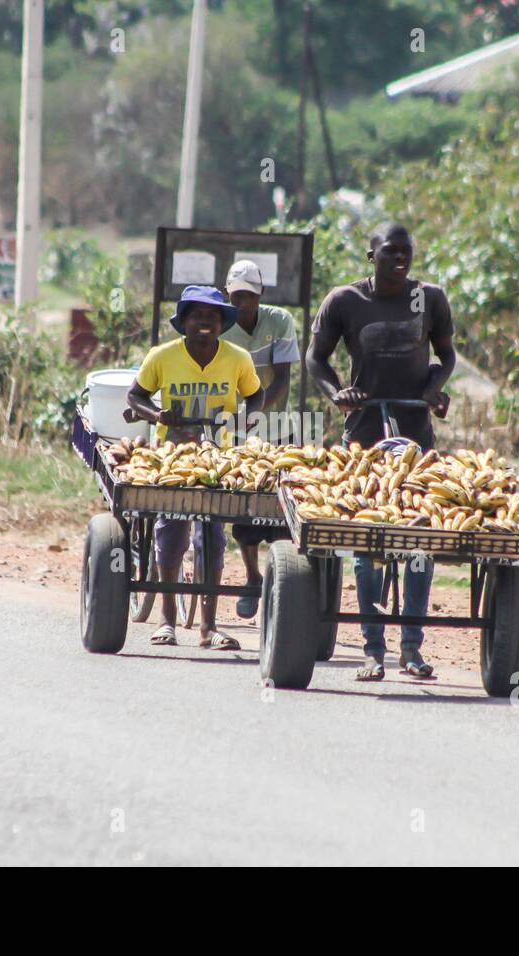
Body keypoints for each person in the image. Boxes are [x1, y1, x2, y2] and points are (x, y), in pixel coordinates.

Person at [306, 223, 456, 682]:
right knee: (367, 543)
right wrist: (338, 394)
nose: (400, 259)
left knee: (419, 540)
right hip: (365, 431)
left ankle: (411, 648)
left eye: (406, 252)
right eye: (390, 252)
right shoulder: (345, 301)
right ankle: (373, 649)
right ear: (370, 256)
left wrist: (435, 388)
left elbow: (445, 355)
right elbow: (316, 359)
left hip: (415, 434)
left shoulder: (429, 298)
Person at [127, 285, 265, 651]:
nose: (205, 322)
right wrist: (157, 414)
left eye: (213, 317)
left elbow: (256, 395)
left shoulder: (238, 358)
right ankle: (168, 619)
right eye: (197, 316)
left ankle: (208, 626)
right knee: (171, 533)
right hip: (172, 455)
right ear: (184, 322)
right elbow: (135, 395)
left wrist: (246, 418)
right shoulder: (162, 356)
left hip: (217, 456)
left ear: (221, 324)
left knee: (213, 539)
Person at [220, 258, 300, 619]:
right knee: (245, 508)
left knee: (284, 510)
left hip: (277, 426)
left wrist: (255, 411)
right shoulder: (218, 325)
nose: (241, 304)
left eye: (248, 297)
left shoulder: (280, 321)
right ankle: (252, 576)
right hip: (233, 429)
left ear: (260, 295)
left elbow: (282, 380)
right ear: (227, 295)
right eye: (235, 296)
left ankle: (282, 579)